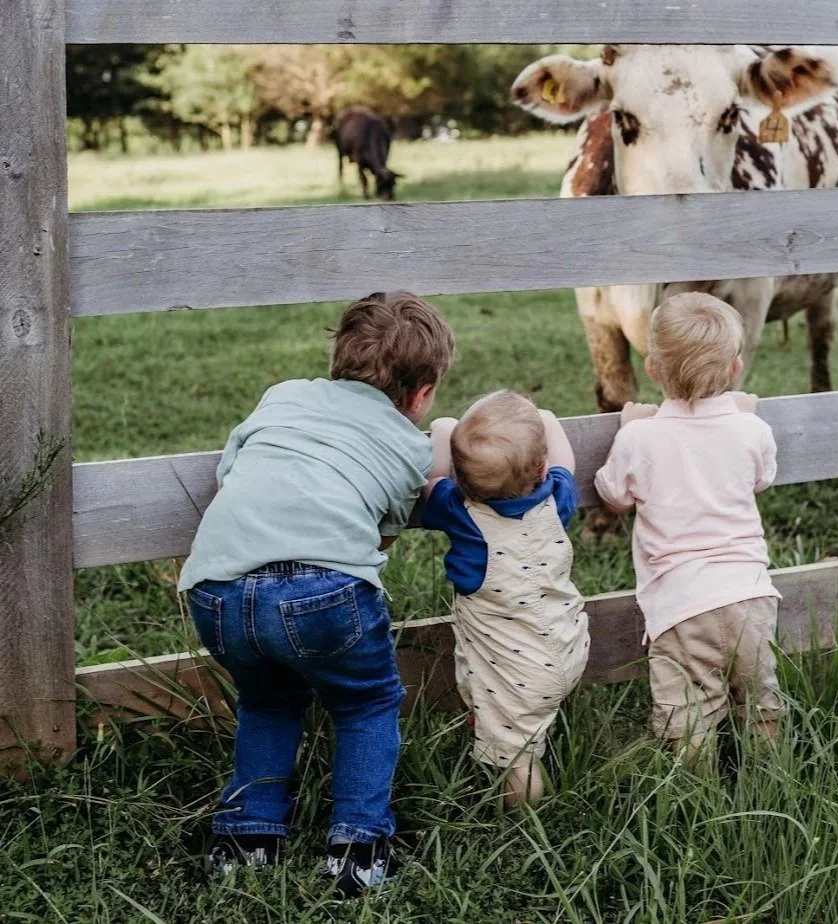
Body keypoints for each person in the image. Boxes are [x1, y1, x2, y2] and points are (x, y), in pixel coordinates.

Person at [178, 291, 455, 899]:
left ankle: (245, 845)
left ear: (337, 358)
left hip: (216, 589)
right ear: (422, 395)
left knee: (267, 703)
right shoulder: (411, 444)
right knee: (366, 703)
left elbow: (232, 473)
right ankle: (357, 854)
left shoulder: (282, 396)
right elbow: (384, 533)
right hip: (324, 592)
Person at [594, 292, 784, 755]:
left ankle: (696, 798)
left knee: (687, 714)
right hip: (751, 595)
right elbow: (761, 478)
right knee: (760, 702)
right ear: (736, 369)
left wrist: (627, 429)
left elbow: (613, 495)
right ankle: (768, 778)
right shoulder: (751, 430)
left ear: (654, 369)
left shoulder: (641, 436)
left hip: (681, 607)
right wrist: (743, 420)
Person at [420, 391, 589, 806]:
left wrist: (445, 427)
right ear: (541, 467)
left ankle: (523, 824)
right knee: (530, 718)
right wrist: (543, 413)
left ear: (462, 478)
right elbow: (564, 454)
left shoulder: (460, 513)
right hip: (568, 646)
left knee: (518, 758)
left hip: (516, 670)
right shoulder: (556, 498)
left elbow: (431, 476)